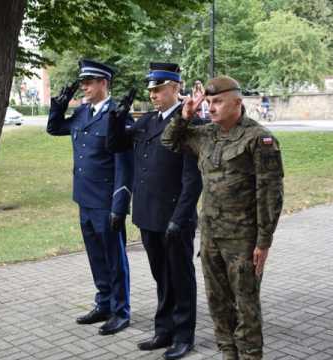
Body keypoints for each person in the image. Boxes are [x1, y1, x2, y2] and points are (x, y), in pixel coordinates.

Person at [161, 76, 284, 360]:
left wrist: (263, 242)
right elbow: (169, 141)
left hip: (243, 241)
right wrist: (187, 114)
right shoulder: (206, 134)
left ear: (237, 103)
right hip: (211, 237)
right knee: (218, 305)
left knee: (246, 307)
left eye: (218, 102)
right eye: (210, 102)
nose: (212, 108)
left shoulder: (259, 139)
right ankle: (228, 354)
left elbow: (270, 194)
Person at [107, 62, 202, 360]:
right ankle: (164, 330)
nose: (153, 94)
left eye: (159, 88)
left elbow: (192, 178)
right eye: (151, 90)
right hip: (148, 213)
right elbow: (115, 144)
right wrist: (116, 115)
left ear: (176, 88)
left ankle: (184, 335)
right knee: (161, 276)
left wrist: (181, 217)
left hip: (175, 216)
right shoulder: (147, 121)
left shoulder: (190, 124)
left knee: (180, 277)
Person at [47, 59, 134, 336]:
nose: (83, 86)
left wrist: (119, 206)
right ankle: (104, 303)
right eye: (82, 82)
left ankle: (121, 311)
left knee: (114, 258)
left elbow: (124, 165)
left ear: (103, 83)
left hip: (107, 201)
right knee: (97, 256)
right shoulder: (83, 113)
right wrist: (59, 104)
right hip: (84, 198)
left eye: (88, 82)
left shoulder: (117, 116)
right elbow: (55, 128)